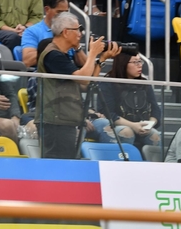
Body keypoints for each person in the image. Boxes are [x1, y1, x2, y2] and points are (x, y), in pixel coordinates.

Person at [37, 12, 120, 159]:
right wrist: (93, 53)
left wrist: (101, 59)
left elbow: (88, 83)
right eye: (77, 29)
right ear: (66, 32)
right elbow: (83, 79)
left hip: (64, 119)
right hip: (55, 121)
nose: (80, 34)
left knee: (68, 162)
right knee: (59, 164)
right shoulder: (53, 55)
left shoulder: (63, 55)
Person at [93, 51, 161, 147]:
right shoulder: (107, 83)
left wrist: (149, 124)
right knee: (126, 132)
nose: (139, 65)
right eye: (135, 62)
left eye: (140, 61)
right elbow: (108, 113)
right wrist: (133, 125)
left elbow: (156, 110)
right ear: (123, 64)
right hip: (116, 125)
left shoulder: (144, 84)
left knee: (155, 135)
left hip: (141, 124)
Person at [20, 0, 85, 69]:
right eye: (59, 12)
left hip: (69, 72)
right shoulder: (32, 31)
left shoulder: (70, 30)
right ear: (47, 9)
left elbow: (85, 66)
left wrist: (77, 46)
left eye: (66, 12)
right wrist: (58, 45)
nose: (63, 16)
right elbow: (27, 61)